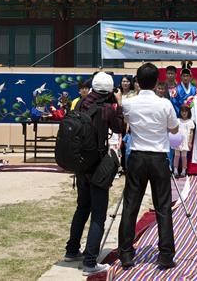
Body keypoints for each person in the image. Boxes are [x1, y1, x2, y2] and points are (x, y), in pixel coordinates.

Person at [118, 63, 179, 270]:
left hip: (137, 157)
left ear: (137, 81)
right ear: (155, 82)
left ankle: (126, 254)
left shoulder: (129, 103)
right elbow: (174, 128)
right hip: (158, 156)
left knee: (130, 206)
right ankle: (165, 255)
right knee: (163, 207)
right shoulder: (164, 104)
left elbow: (127, 122)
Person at [64, 72, 124, 276]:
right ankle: (90, 261)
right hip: (97, 166)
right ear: (108, 91)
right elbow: (120, 127)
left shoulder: (80, 103)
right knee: (98, 213)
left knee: (82, 207)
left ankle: (72, 250)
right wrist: (118, 104)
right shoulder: (107, 109)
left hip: (80, 165)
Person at [174, 105, 195, 177]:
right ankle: (175, 170)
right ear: (180, 112)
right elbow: (174, 130)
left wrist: (190, 142)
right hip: (177, 139)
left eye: (186, 111)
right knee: (176, 155)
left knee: (184, 156)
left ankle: (184, 170)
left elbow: (191, 133)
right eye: (182, 111)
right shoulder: (177, 120)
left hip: (186, 141)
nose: (184, 113)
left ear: (188, 112)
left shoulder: (190, 122)